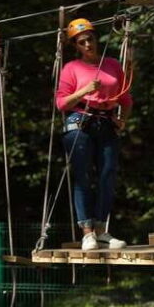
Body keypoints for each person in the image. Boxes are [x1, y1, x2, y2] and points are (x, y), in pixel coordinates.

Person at [55, 18, 133, 251]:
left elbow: (126, 98)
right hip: (80, 121)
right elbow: (61, 103)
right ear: (76, 46)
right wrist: (84, 90)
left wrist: (123, 120)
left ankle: (101, 230)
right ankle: (87, 232)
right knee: (83, 177)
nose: (88, 44)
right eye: (82, 42)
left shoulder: (111, 64)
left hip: (107, 122)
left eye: (90, 39)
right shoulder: (72, 68)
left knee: (107, 175)